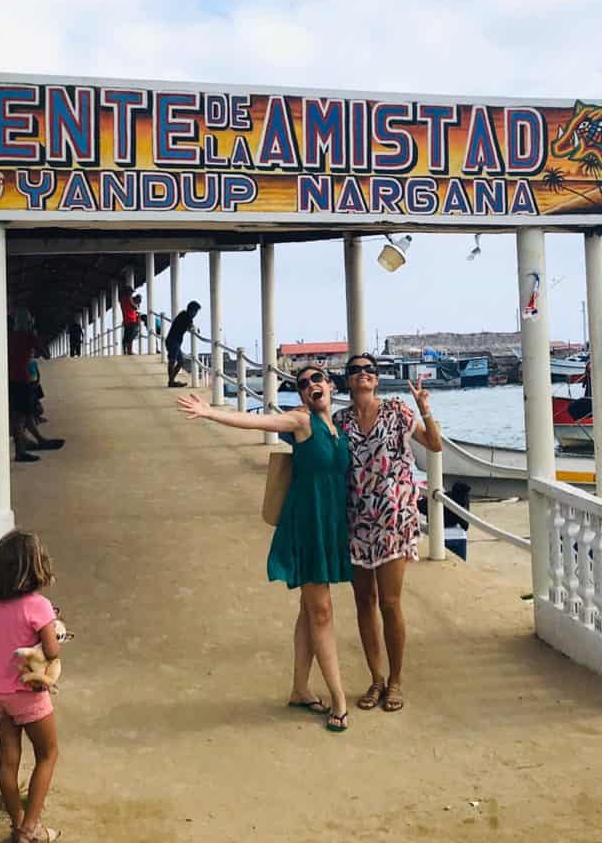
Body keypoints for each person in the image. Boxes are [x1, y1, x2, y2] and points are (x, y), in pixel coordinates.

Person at [177, 364, 353, 733]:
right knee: (321, 613)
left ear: (330, 384)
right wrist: (211, 412)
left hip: (330, 526)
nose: (310, 386)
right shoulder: (301, 423)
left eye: (316, 379)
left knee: (310, 610)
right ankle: (338, 698)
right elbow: (258, 423)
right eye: (302, 384)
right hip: (307, 527)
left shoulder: (341, 428)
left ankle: (300, 689)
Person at [332, 353, 442, 714]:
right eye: (355, 371)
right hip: (356, 521)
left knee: (390, 602)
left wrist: (423, 406)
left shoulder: (396, 411)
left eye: (369, 371)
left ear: (377, 379)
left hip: (393, 519)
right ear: (347, 380)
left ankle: (395, 679)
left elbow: (434, 444)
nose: (363, 375)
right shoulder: (340, 421)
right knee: (363, 601)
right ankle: (376, 678)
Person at [0, 531, 61, 843]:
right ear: (36, 567)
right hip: (27, 693)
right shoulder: (39, 606)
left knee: (9, 760)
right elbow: (52, 651)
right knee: (48, 754)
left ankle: (16, 823)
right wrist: (51, 627)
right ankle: (31, 829)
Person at [9, 308, 63, 463]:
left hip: (10, 380)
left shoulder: (10, 337)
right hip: (23, 380)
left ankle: (37, 440)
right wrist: (36, 337)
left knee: (23, 414)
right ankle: (21, 451)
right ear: (29, 322)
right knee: (21, 416)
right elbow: (46, 355)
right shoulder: (29, 336)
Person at [165, 300, 200, 388]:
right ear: (191, 310)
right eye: (195, 311)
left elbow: (190, 326)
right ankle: (171, 381)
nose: (196, 314)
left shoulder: (184, 315)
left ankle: (171, 380)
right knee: (172, 361)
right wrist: (195, 329)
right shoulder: (186, 316)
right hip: (173, 341)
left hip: (174, 341)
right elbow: (191, 326)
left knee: (181, 361)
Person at [118, 285, 140, 355]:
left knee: (126, 336)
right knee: (131, 336)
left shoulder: (122, 300)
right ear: (128, 292)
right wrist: (136, 304)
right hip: (131, 320)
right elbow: (134, 307)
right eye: (131, 292)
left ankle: (124, 351)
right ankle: (130, 351)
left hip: (126, 320)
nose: (132, 294)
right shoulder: (129, 298)